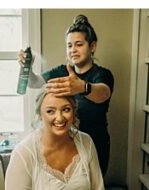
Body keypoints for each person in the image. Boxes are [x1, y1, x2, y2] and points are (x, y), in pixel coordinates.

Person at [19, 14, 115, 175]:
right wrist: (26, 67)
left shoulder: (103, 74)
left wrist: (81, 87)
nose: (73, 50)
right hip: (66, 146)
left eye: (79, 44)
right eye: (69, 46)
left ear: (92, 46)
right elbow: (34, 83)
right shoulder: (61, 71)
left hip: (96, 145)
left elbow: (103, 93)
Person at [5, 91, 111, 190]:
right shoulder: (24, 153)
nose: (59, 118)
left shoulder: (86, 142)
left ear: (74, 111)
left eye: (66, 109)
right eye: (50, 111)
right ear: (40, 115)